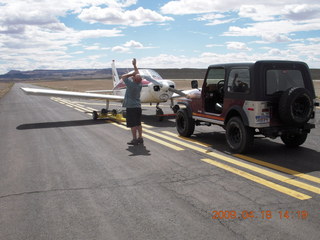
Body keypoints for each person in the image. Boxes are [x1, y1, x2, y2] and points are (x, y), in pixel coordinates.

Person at [121, 58, 143, 145]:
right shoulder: (139, 85)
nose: (133, 76)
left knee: (133, 125)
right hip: (138, 107)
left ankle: (134, 139)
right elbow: (137, 75)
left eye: (134, 77)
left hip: (131, 107)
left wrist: (132, 73)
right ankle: (140, 138)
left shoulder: (131, 85)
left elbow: (123, 77)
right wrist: (134, 66)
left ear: (134, 79)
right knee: (138, 123)